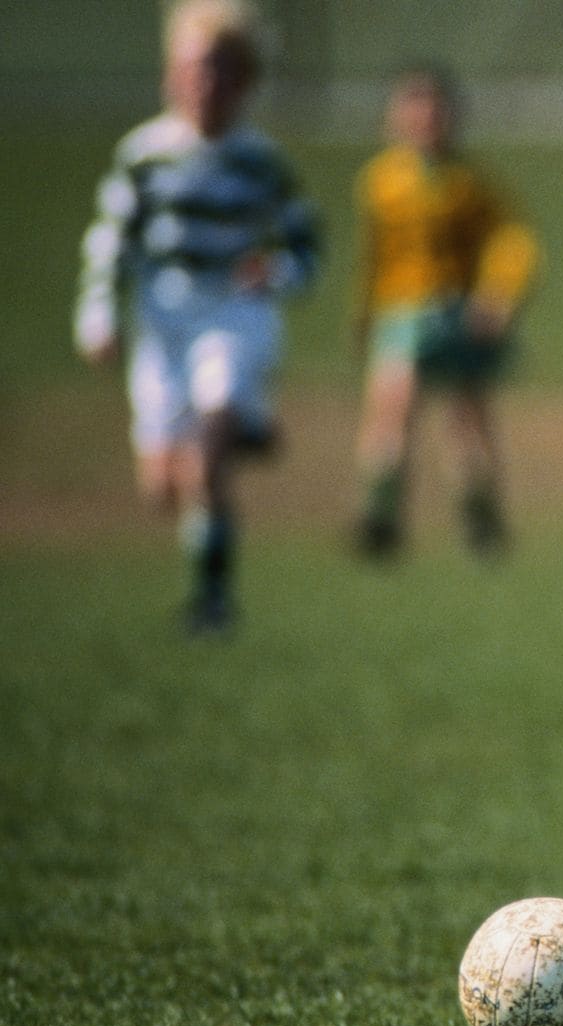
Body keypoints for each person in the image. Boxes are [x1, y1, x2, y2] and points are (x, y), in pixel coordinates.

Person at [73, 0, 318, 634]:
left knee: (205, 458)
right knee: (163, 486)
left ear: (245, 82)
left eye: (221, 71)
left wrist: (280, 272)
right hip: (163, 322)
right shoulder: (144, 154)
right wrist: (98, 314)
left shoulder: (261, 161)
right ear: (170, 77)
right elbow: (110, 241)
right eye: (194, 70)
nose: (206, 84)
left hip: (235, 318)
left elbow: (305, 245)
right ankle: (250, 428)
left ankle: (211, 603)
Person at [350, 65, 539, 560]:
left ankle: (481, 518)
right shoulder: (380, 182)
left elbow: (511, 241)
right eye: (413, 105)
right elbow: (373, 259)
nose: (425, 117)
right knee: (392, 405)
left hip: (458, 311)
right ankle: (381, 514)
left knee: (466, 419)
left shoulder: (471, 183)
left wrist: (499, 295)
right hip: (403, 312)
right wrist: (365, 313)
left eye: (434, 106)